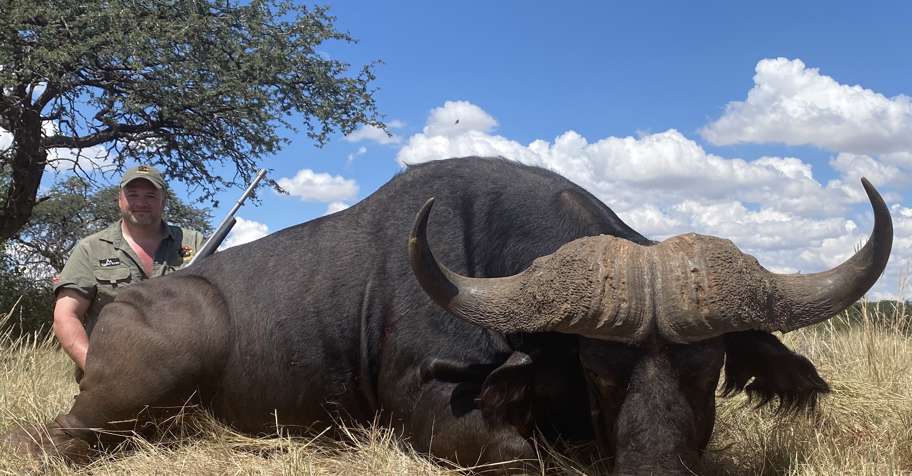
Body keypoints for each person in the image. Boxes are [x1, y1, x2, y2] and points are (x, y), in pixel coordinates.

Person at [52, 165, 205, 376]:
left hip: (184, 375)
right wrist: (97, 372)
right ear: (120, 199)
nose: (141, 203)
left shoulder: (194, 242)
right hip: (115, 377)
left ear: (164, 200)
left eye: (150, 196)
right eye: (132, 195)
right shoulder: (91, 248)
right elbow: (65, 316)